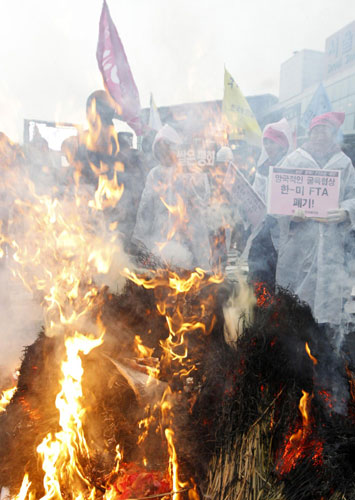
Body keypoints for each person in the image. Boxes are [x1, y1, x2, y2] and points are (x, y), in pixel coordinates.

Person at [276, 111, 355, 327]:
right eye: (316, 131)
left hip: (331, 244)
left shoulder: (344, 163)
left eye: (326, 131)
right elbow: (275, 198)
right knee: (295, 307)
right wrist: (291, 213)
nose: (320, 136)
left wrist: (347, 211)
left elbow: (353, 195)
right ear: (310, 134)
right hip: (299, 245)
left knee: (326, 313)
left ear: (334, 134)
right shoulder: (294, 160)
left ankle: (322, 351)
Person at [132, 124, 211, 270]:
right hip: (159, 238)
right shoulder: (154, 174)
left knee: (188, 277)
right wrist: (139, 239)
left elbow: (202, 202)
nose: (164, 153)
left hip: (186, 238)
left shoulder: (188, 172)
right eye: (160, 149)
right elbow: (146, 208)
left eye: (167, 148)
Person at [248, 119, 293, 288]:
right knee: (258, 276)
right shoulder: (262, 168)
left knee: (278, 281)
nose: (267, 146)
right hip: (262, 231)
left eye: (272, 142)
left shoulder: (292, 166)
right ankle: (258, 309)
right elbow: (255, 196)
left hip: (283, 235)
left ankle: (274, 313)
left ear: (282, 145)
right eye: (265, 141)